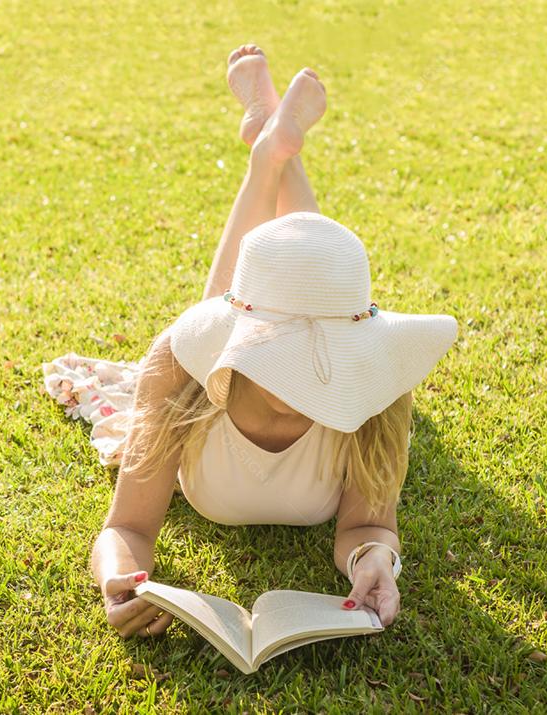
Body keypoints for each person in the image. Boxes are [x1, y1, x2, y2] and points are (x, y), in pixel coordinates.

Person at [89, 45, 458, 639]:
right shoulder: (184, 371)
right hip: (218, 353)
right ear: (242, 344)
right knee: (239, 286)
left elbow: (367, 526)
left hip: (250, 318)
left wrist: (376, 564)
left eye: (325, 363)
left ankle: (270, 144)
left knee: (299, 269)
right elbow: (126, 529)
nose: (308, 381)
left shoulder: (375, 394)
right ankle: (269, 151)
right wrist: (121, 580)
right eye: (281, 361)